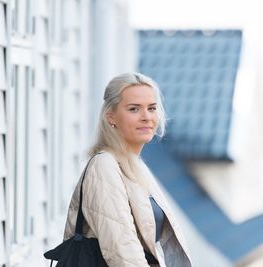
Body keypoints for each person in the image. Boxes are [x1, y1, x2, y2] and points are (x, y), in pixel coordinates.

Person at [63, 72, 192, 266]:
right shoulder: (104, 166)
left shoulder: (136, 167)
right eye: (134, 109)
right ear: (111, 116)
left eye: (152, 108)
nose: (146, 117)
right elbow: (122, 251)